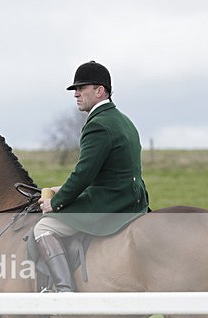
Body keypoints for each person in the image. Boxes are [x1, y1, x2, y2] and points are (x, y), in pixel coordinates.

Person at [36, 61, 149, 292]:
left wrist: (55, 203)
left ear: (100, 90)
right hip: (133, 200)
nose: (76, 93)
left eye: (81, 88)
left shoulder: (98, 125)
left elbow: (83, 175)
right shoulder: (123, 120)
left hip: (110, 204)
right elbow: (106, 173)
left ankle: (64, 290)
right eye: (75, 89)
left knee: (43, 228)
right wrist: (61, 188)